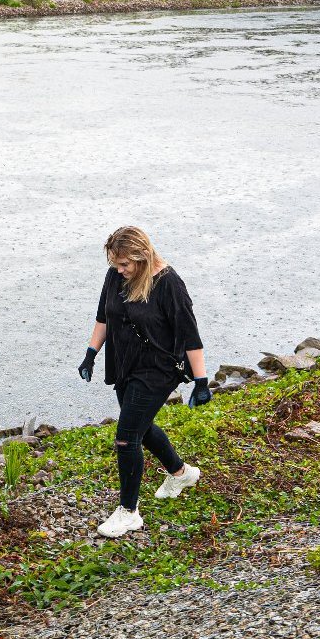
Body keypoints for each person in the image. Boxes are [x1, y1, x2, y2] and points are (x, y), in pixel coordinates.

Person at [78, 226, 211, 539]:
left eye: (125, 265)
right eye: (115, 265)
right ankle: (181, 473)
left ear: (142, 257)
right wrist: (90, 354)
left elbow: (190, 336)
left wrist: (201, 381)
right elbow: (103, 318)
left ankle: (128, 512)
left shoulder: (169, 284)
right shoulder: (115, 276)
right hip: (125, 364)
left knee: (126, 438)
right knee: (141, 426)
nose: (120, 271)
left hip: (158, 369)